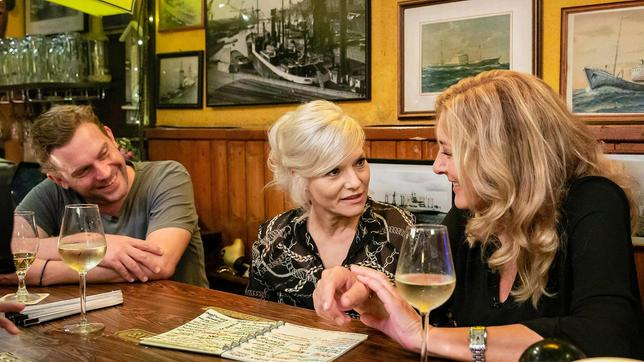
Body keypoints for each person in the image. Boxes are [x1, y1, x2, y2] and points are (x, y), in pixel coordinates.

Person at [314, 70, 644, 359]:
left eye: (448, 151)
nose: (437, 166)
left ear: (501, 156)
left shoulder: (594, 201)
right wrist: (368, 298)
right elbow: (423, 307)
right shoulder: (472, 211)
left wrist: (427, 338)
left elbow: (607, 338)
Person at [0, 105, 208, 287]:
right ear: (59, 179)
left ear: (110, 136)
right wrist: (90, 243)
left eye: (103, 154)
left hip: (184, 323)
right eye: (83, 171)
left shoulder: (167, 177)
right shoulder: (52, 193)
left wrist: (43, 272)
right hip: (99, 322)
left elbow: (156, 266)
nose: (105, 173)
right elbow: (5, 253)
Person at [245, 100, 414, 309]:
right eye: (334, 171)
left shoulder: (399, 228)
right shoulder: (272, 237)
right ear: (299, 178)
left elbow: (421, 320)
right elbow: (257, 315)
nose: (355, 182)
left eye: (359, 162)